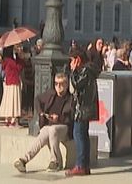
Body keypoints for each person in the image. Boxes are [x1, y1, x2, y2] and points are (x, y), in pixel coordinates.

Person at [13, 72, 75, 174]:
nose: (58, 87)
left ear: (66, 84)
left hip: (64, 127)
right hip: (50, 126)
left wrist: (58, 118)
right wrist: (41, 113)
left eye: (61, 84)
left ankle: (55, 161)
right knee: (42, 135)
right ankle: (24, 160)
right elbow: (37, 99)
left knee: (52, 129)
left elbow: (70, 117)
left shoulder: (70, 99)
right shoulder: (51, 94)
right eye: (56, 84)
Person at [66, 47, 99, 177]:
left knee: (78, 135)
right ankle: (85, 165)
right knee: (83, 136)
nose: (70, 64)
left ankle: (80, 165)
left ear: (78, 60)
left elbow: (77, 84)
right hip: (85, 108)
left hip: (82, 109)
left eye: (72, 61)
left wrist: (73, 72)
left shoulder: (85, 71)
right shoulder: (89, 70)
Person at [0, 47, 24, 127]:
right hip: (14, 81)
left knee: (7, 101)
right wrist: (19, 57)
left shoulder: (5, 60)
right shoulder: (11, 61)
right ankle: (13, 120)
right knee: (14, 101)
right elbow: (19, 68)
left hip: (7, 82)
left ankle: (7, 120)